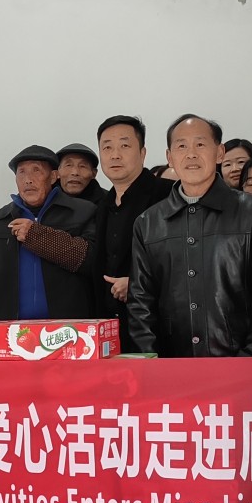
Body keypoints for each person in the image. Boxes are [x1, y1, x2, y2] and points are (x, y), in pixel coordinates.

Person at [128, 115, 252, 357]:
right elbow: (140, 303)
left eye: (200, 144)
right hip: (172, 366)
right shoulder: (148, 223)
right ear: (169, 157)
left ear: (220, 152)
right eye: (182, 146)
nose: (191, 154)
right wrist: (152, 362)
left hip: (242, 364)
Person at [0, 145, 97, 320]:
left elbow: (90, 260)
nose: (28, 180)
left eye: (36, 170)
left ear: (53, 176)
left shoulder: (82, 212)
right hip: (10, 329)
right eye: (21, 172)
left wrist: (36, 236)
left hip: (69, 328)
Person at [93, 115, 172, 352]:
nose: (115, 155)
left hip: (159, 331)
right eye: (107, 147)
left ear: (143, 152)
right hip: (112, 334)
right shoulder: (102, 205)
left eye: (125, 146)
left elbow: (185, 261)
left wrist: (139, 285)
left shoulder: (167, 196)